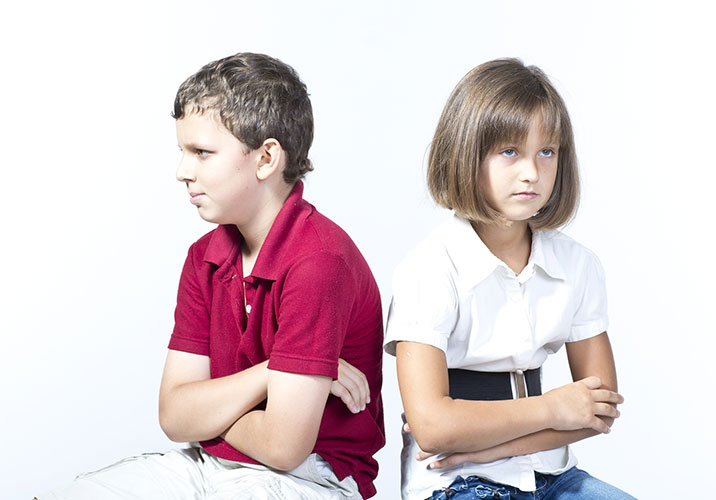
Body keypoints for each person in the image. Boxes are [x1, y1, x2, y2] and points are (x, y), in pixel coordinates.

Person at [38, 52, 385, 500]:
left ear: (265, 159)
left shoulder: (319, 261)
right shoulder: (204, 257)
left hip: (309, 476)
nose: (182, 171)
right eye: (183, 152)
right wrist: (270, 373)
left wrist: (205, 412)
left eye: (201, 152)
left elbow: (282, 446)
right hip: (208, 463)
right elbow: (173, 416)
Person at [384, 59, 635, 500]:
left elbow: (600, 410)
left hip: (553, 475)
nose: (531, 173)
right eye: (509, 152)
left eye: (547, 151)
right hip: (454, 484)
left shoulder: (577, 265)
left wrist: (493, 449)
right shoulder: (429, 270)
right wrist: (554, 407)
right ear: (465, 154)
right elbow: (432, 427)